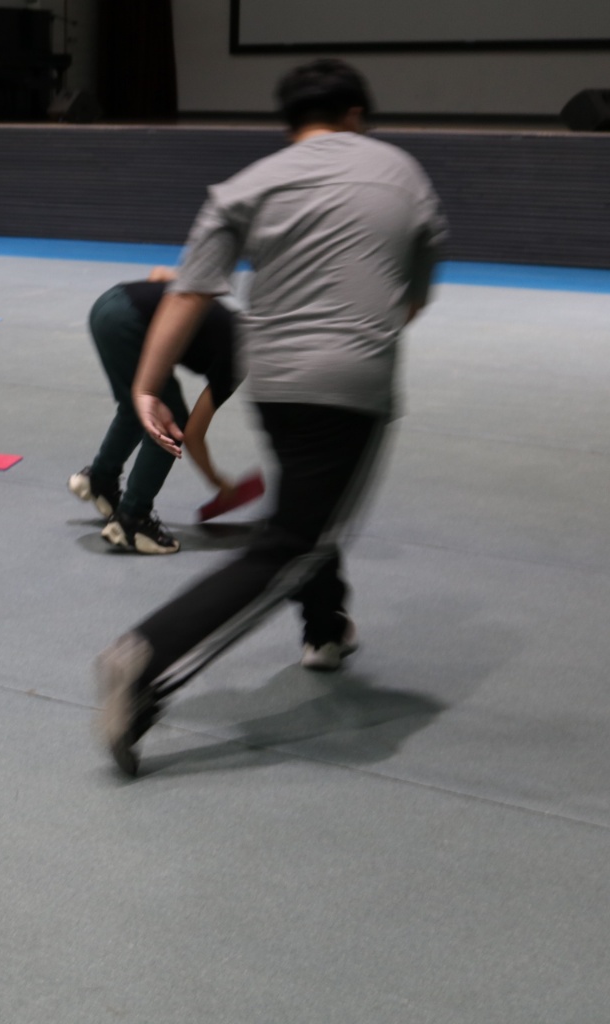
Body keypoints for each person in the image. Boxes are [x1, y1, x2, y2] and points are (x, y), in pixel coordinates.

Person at [95, 58, 448, 775]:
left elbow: (189, 291)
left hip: (275, 379)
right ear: (355, 114)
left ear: (290, 124)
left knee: (307, 513)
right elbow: (413, 297)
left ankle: (326, 628)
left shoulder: (247, 183)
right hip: (350, 382)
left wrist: (147, 387)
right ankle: (145, 653)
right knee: (292, 541)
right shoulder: (402, 173)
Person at [68, 268, 242, 555]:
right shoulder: (238, 359)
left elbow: (160, 273)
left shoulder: (229, 318)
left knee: (136, 408)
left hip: (109, 303)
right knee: (171, 420)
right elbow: (192, 433)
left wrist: (154, 312)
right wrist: (217, 480)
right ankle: (132, 519)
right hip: (127, 324)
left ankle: (100, 478)